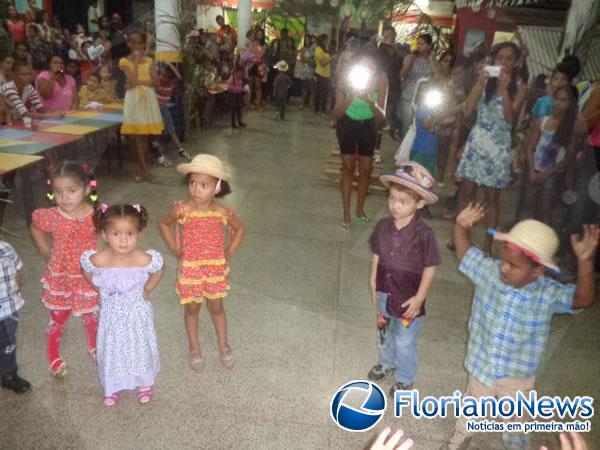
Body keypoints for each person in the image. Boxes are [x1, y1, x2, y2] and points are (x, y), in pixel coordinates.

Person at [442, 204, 599, 450]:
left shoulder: (547, 293)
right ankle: (460, 437)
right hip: (481, 365)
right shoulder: (490, 272)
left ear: (537, 270)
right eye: (503, 261)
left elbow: (583, 300)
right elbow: (466, 254)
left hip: (517, 378)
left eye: (513, 266)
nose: (503, 268)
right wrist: (461, 227)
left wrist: (586, 264)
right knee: (471, 408)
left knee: (516, 421)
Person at [159, 154, 245, 371]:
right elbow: (163, 223)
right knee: (192, 309)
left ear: (217, 187)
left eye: (204, 185)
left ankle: (224, 345)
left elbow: (239, 229)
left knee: (217, 307)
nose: (197, 189)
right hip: (190, 270)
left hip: (215, 269)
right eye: (192, 183)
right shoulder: (182, 210)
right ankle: (194, 348)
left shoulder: (222, 212)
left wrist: (229, 251)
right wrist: (175, 249)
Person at [368, 162, 440, 395]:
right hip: (385, 293)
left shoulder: (424, 235)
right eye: (392, 199)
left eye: (403, 202)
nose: (395, 206)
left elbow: (430, 268)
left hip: (409, 300)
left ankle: (406, 378)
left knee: (405, 340)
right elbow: (377, 255)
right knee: (384, 332)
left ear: (419, 203)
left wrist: (420, 298)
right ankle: (386, 362)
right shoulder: (382, 227)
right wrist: (373, 282)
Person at [81, 204, 164, 406]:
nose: (124, 240)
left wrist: (147, 290)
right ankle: (113, 385)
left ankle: (144, 382)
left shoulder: (142, 258)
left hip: (136, 313)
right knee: (113, 349)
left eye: (130, 233)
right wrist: (98, 290)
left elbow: (159, 269)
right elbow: (86, 270)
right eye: (116, 234)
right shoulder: (99, 259)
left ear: (138, 233)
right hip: (112, 315)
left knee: (138, 347)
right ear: (104, 234)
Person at [455, 42, 528, 254]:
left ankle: (487, 244)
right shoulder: (484, 82)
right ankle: (461, 236)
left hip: (498, 148)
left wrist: (504, 90)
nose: (503, 62)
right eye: (500, 58)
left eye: (508, 58)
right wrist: (480, 83)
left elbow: (510, 120)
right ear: (493, 60)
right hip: (477, 143)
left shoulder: (521, 86)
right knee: (467, 192)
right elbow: (468, 109)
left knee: (492, 199)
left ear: (516, 63)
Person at [29, 161, 100, 378]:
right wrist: (44, 250)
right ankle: (53, 356)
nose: (64, 197)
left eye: (71, 190)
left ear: (87, 189)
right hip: (61, 277)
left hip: (88, 276)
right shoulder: (51, 216)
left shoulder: (97, 215)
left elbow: (109, 235)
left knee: (92, 315)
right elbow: (35, 228)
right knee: (58, 317)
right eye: (57, 191)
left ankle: (95, 346)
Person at [333, 47, 388, 230]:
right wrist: (352, 96)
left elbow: (381, 116)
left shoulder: (381, 78)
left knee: (366, 168)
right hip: (346, 124)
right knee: (347, 167)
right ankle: (346, 212)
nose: (368, 70)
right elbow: (336, 113)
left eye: (371, 67)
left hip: (368, 124)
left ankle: (360, 210)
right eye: (363, 66)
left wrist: (368, 100)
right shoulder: (345, 78)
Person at [521, 85, 578, 225]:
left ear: (571, 104)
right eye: (556, 99)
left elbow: (568, 158)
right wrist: (531, 169)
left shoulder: (571, 127)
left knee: (546, 207)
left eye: (563, 100)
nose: (558, 103)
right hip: (534, 169)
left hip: (553, 173)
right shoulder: (542, 121)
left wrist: (548, 173)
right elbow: (530, 148)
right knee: (529, 204)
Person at [119, 30, 164, 183]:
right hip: (134, 100)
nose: (137, 45)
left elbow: (156, 82)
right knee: (137, 137)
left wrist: (141, 82)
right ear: (128, 44)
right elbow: (131, 83)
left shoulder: (150, 61)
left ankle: (140, 168)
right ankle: (145, 171)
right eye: (133, 42)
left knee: (145, 137)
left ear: (144, 44)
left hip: (148, 100)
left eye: (140, 42)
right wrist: (137, 63)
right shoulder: (124, 62)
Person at [0, 241, 31, 394]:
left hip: (8, 310)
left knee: (8, 344)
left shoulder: (5, 248)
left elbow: (16, 273)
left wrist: (17, 292)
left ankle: (9, 375)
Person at [0, 60, 65, 122]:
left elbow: (40, 109)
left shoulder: (30, 88)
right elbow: (25, 114)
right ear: (14, 75)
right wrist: (51, 116)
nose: (28, 77)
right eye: (23, 74)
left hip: (14, 118)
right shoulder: (9, 88)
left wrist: (54, 113)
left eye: (29, 74)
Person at [398, 33, 434, 140]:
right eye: (418, 43)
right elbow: (402, 75)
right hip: (409, 97)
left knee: (420, 128)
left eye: (422, 44)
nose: (419, 46)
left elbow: (437, 77)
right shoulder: (411, 58)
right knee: (407, 127)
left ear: (429, 45)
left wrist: (432, 60)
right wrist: (409, 63)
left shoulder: (432, 61)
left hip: (424, 99)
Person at [153, 62, 191, 160]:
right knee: (165, 129)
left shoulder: (163, 82)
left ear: (168, 78)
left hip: (161, 107)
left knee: (164, 129)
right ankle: (178, 149)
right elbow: (178, 76)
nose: (161, 76)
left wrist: (168, 65)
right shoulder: (169, 82)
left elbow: (177, 76)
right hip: (159, 108)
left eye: (164, 75)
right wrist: (169, 65)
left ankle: (164, 150)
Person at [378, 26, 403, 139]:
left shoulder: (399, 52)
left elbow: (401, 67)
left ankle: (393, 127)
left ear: (394, 35)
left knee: (394, 110)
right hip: (381, 85)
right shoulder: (380, 50)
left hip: (395, 86)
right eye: (385, 35)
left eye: (389, 35)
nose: (387, 37)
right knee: (381, 111)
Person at [314, 33, 332, 115]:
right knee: (319, 92)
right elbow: (323, 63)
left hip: (327, 74)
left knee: (325, 92)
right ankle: (317, 109)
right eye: (326, 40)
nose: (327, 42)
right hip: (320, 73)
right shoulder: (318, 49)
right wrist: (332, 58)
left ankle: (323, 109)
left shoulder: (325, 49)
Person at [299, 34, 316, 109]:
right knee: (304, 87)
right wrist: (309, 60)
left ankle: (310, 103)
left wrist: (312, 62)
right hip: (306, 69)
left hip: (312, 69)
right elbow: (302, 59)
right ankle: (302, 103)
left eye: (308, 39)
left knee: (312, 88)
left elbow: (315, 60)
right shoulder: (303, 49)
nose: (307, 41)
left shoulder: (313, 49)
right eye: (305, 40)